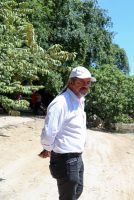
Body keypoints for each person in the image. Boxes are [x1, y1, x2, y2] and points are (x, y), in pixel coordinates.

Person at [39, 66, 96, 200]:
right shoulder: (61, 102)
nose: (85, 85)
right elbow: (48, 132)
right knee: (68, 196)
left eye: (88, 82)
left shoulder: (79, 100)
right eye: (81, 82)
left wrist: (48, 148)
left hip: (76, 156)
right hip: (66, 158)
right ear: (70, 82)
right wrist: (48, 148)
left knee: (77, 190)